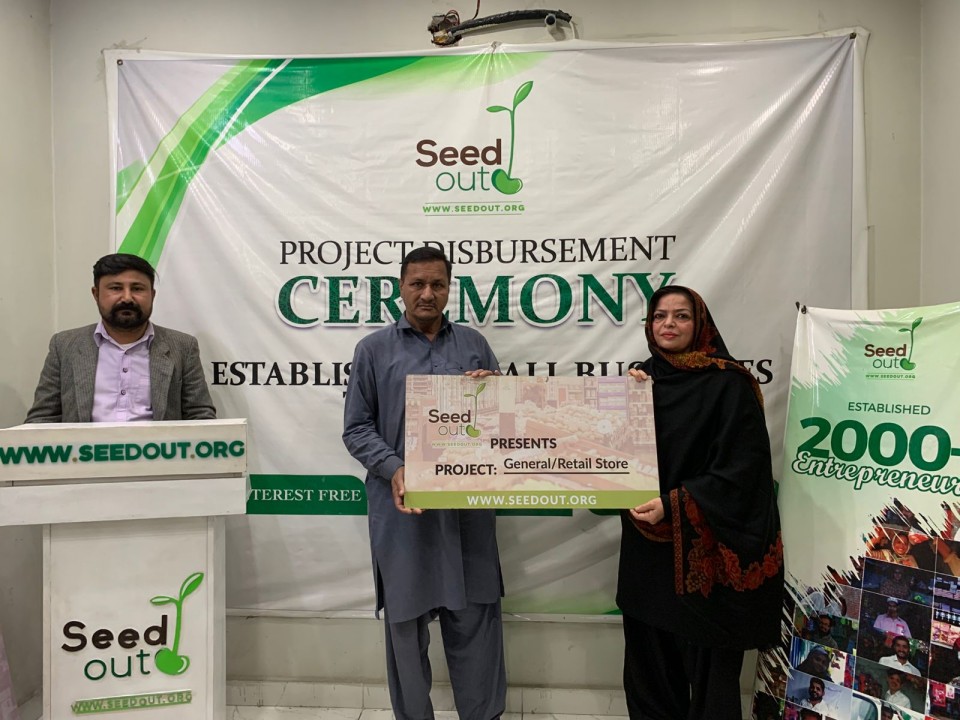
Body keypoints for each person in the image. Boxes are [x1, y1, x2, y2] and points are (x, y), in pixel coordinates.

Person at [342, 247, 505, 720]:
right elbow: (356, 428)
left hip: (467, 509)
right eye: (417, 284)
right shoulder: (373, 350)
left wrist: (494, 393)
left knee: (476, 617)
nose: (427, 293)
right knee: (405, 624)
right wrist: (395, 468)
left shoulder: (474, 344)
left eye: (437, 284)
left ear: (450, 288)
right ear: (401, 287)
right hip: (403, 509)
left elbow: (503, 425)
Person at [616, 285, 784, 720]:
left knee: (711, 676)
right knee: (650, 669)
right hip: (647, 551)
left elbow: (744, 472)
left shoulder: (729, 383)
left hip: (705, 555)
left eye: (681, 315)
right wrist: (620, 403)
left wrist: (674, 503)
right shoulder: (639, 381)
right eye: (659, 316)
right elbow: (596, 447)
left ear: (700, 323)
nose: (668, 324)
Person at [25, 253, 215, 423]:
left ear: (152, 295)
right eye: (115, 288)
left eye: (137, 288)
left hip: (157, 451)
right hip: (85, 451)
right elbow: (42, 420)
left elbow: (201, 417)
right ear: (96, 294)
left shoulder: (182, 346)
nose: (127, 298)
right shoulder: (64, 346)